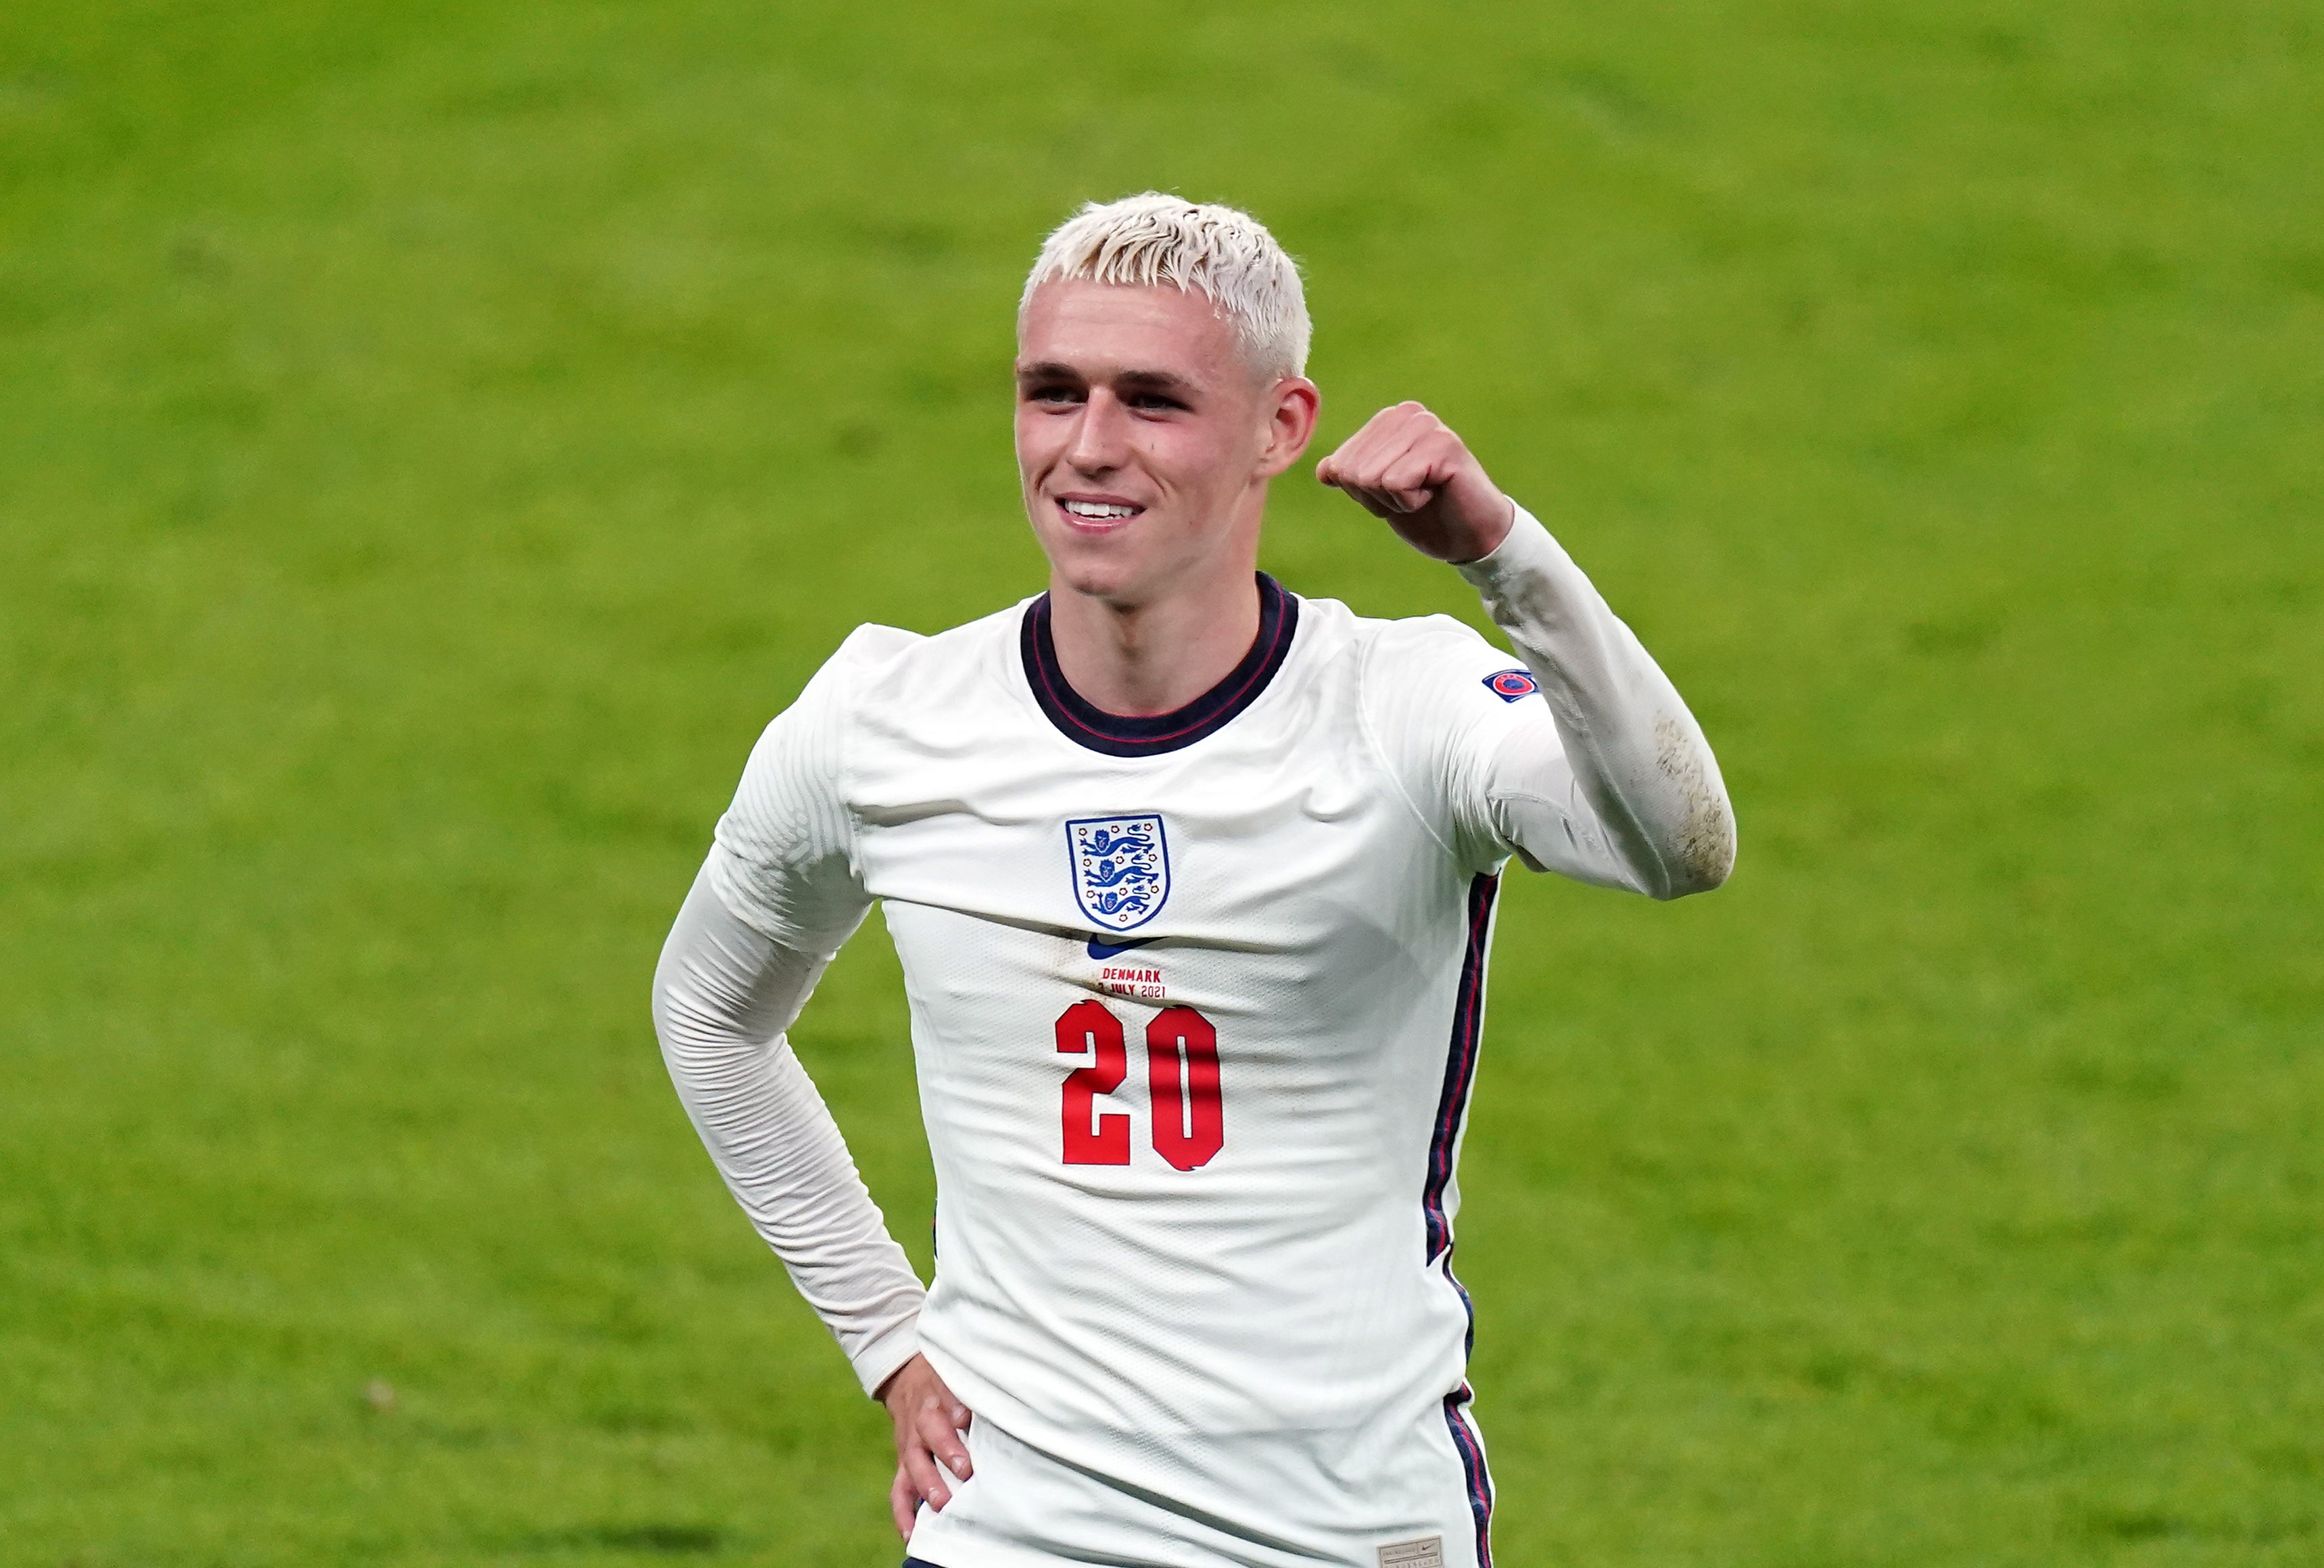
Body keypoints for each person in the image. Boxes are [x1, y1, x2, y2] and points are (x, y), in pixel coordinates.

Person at [652, 193, 1734, 1568]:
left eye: (1153, 401)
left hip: (1345, 1526)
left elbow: (1678, 846)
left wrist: (1502, 557)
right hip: (1012, 1525)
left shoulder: (1406, 710)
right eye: (1053, 393)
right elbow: (709, 1015)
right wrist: (886, 1335)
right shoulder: (882, 721)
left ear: (1282, 425)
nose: (1087, 445)